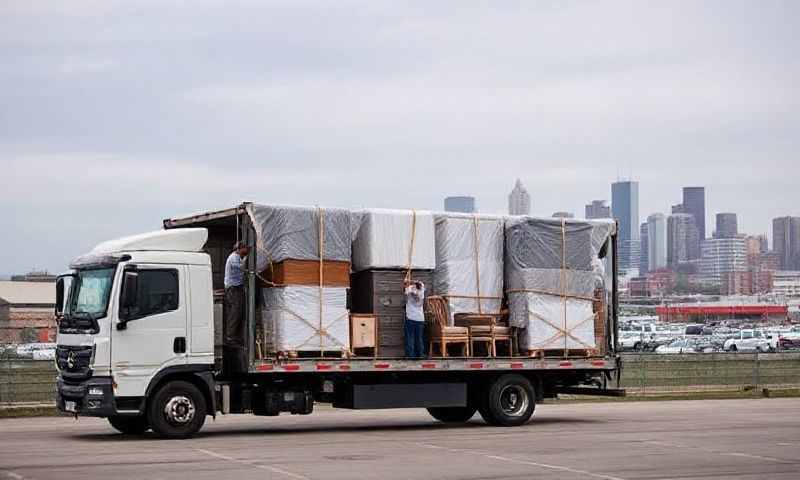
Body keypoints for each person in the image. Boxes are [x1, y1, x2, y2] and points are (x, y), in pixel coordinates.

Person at [224, 242, 249, 373]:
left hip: (237, 288)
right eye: (245, 249)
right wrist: (247, 259)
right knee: (235, 313)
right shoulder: (234, 257)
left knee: (239, 312)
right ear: (239, 249)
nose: (246, 251)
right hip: (233, 289)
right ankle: (230, 338)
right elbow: (241, 268)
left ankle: (235, 337)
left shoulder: (237, 257)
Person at [403, 280, 426, 358]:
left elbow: (405, 295)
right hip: (420, 319)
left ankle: (411, 355)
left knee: (410, 337)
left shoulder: (408, 289)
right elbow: (420, 283)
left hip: (411, 318)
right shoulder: (421, 289)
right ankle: (420, 354)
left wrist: (406, 283)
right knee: (419, 338)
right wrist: (410, 281)